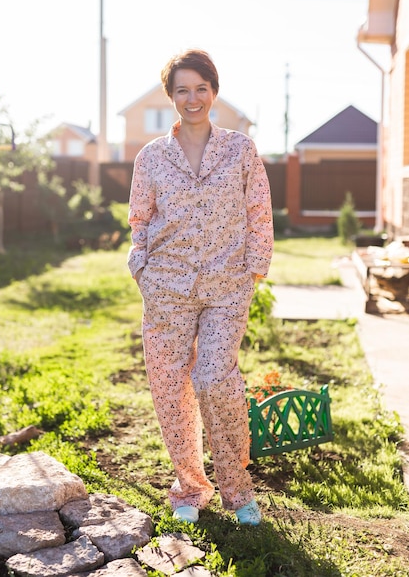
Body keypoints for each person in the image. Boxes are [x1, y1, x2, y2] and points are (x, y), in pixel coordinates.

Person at [127, 49, 273, 526]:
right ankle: (190, 486)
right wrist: (141, 265)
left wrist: (255, 267)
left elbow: (258, 211)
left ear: (214, 90)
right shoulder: (151, 157)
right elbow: (140, 219)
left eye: (201, 88)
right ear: (171, 96)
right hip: (167, 285)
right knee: (170, 387)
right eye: (182, 90)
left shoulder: (240, 149)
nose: (193, 98)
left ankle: (237, 489)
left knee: (213, 378)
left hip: (227, 284)